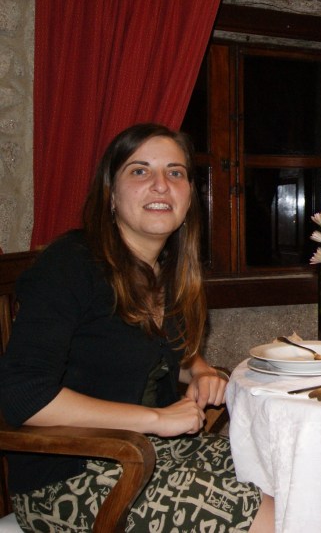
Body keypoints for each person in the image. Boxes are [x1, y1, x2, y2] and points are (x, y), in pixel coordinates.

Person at [0, 124, 274, 532]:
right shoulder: (70, 264)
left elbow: (162, 351)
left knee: (289, 472)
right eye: (140, 171)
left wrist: (200, 370)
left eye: (175, 172)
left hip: (150, 453)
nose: (161, 184)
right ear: (111, 194)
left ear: (189, 198)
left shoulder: (164, 272)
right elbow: (23, 395)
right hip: (71, 478)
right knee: (270, 516)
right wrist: (156, 418)